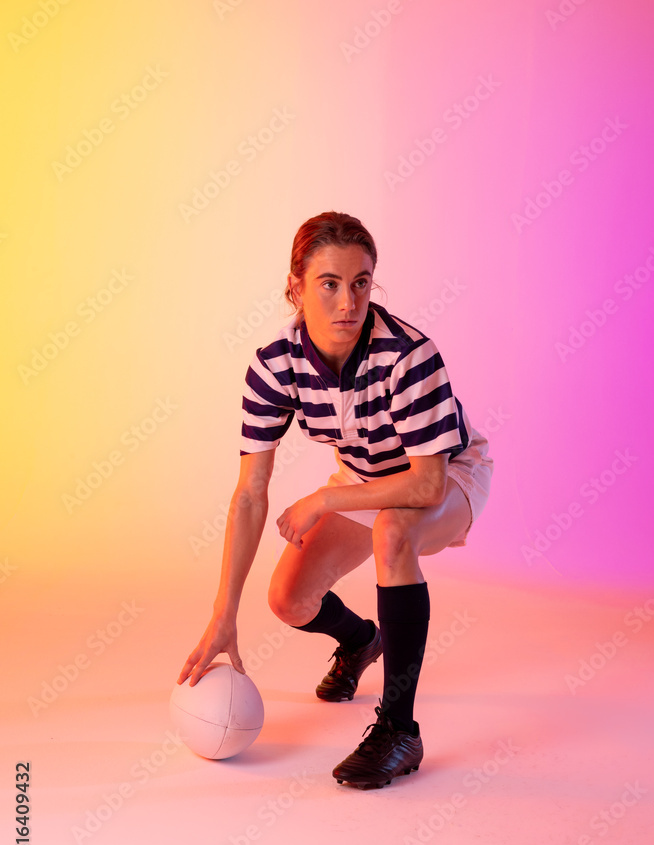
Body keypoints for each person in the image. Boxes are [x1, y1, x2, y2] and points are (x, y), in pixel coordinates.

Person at [177, 211, 494, 790]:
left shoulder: (408, 355)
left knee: (393, 533)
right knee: (289, 598)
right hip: (365, 475)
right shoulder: (275, 366)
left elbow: (424, 486)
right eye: (329, 283)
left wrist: (324, 503)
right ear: (296, 286)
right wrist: (223, 615)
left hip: (448, 474)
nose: (348, 301)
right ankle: (360, 641)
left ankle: (399, 729)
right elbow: (250, 494)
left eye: (361, 282)